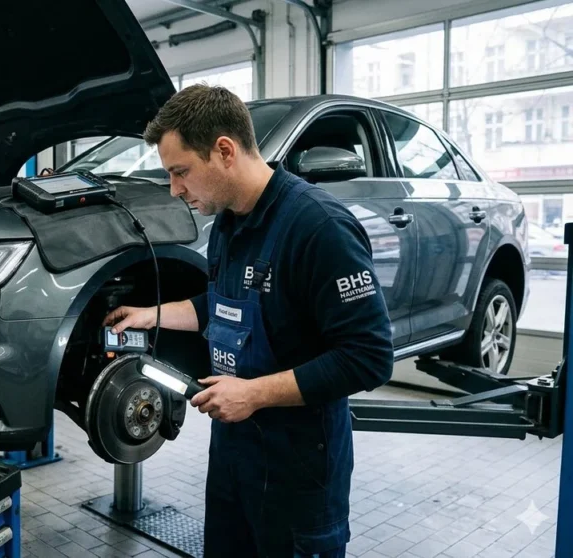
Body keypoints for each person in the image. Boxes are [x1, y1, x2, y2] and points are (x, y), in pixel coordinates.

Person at [103, 85, 394, 557]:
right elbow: (219, 305)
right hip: (234, 461)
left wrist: (254, 393)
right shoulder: (228, 224)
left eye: (181, 172)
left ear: (223, 151)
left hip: (298, 472)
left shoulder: (319, 228)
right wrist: (151, 315)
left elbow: (370, 358)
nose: (175, 189)